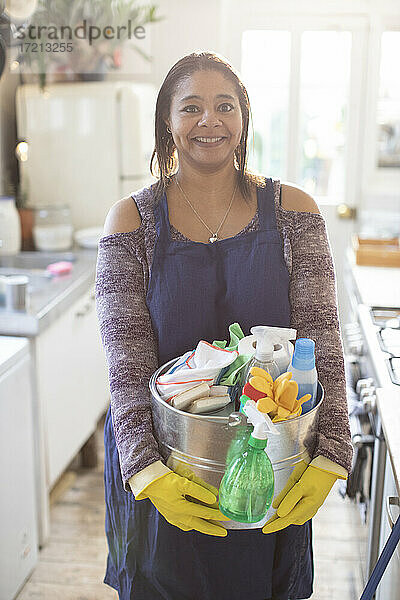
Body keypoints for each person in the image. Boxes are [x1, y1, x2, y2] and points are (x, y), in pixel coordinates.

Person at [95, 51, 353, 600]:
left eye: (224, 107)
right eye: (191, 108)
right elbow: (127, 363)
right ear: (167, 121)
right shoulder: (131, 222)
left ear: (244, 118)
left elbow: (321, 343)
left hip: (269, 476)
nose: (209, 121)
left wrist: (332, 451)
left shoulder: (295, 213)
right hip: (167, 475)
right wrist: (144, 469)